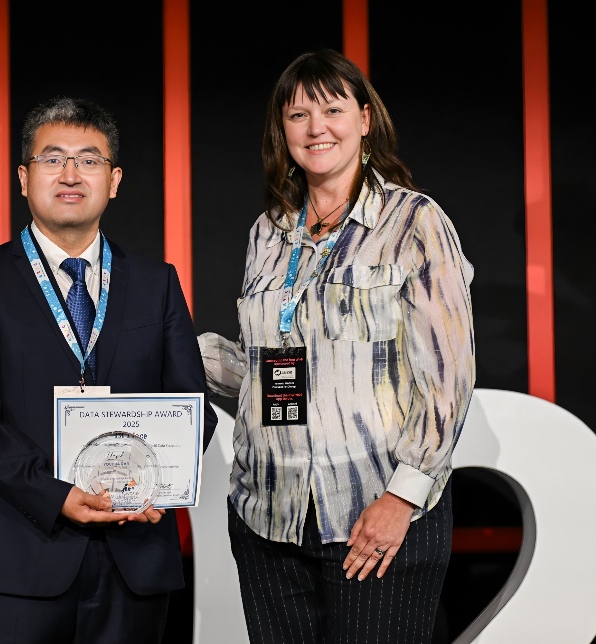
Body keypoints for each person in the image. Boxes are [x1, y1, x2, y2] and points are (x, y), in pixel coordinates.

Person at [198, 49, 475, 643]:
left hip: (374, 517)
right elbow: (266, 372)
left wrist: (402, 498)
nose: (316, 127)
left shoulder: (414, 221)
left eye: (332, 110)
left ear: (365, 119)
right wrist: (171, 347)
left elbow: (448, 377)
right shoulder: (268, 231)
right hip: (269, 518)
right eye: (298, 115)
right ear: (282, 130)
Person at [0, 96, 217, 644]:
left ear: (114, 181)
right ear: (24, 178)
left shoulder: (156, 282)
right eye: (53, 159)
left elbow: (192, 404)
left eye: (89, 160)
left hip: (134, 555)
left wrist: (155, 483)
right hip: (19, 555)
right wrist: (54, 494)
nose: (70, 174)